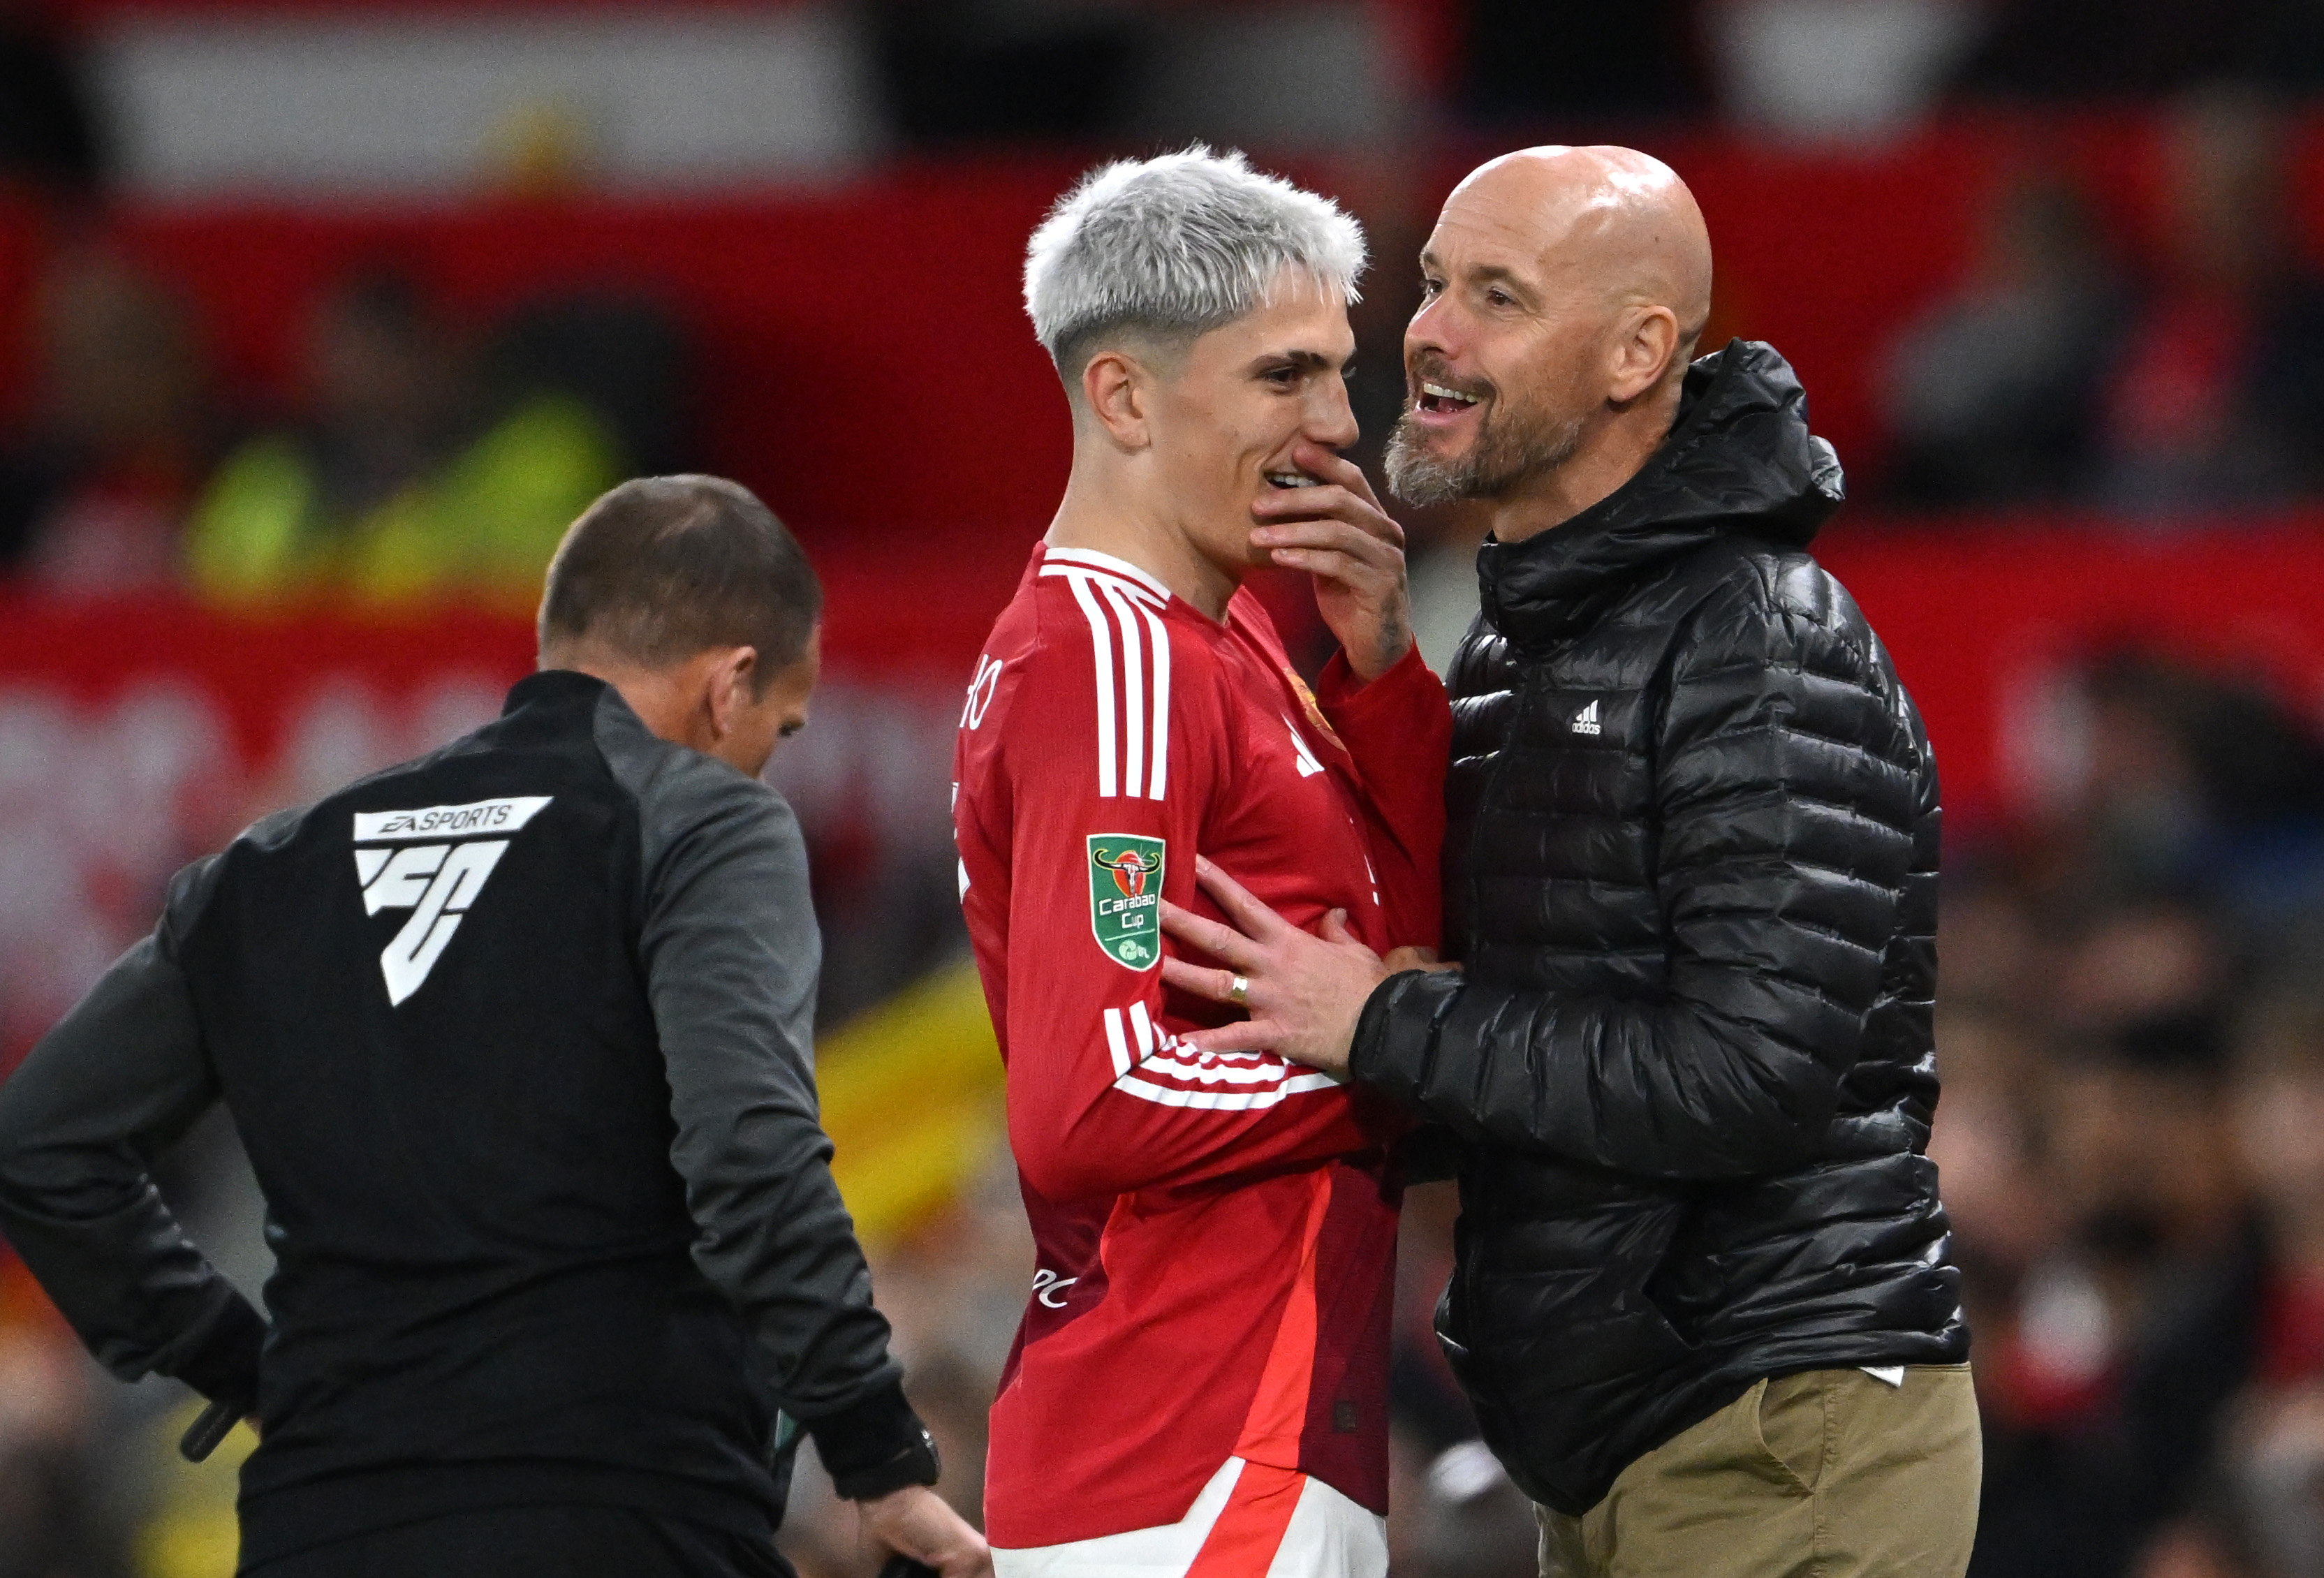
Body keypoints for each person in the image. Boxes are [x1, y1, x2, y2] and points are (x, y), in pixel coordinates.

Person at [1158, 146, 1978, 1578]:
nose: (1427, 330)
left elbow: (1747, 1078)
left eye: (1496, 295)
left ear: (1634, 351)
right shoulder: (1512, 647)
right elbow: (1516, 1050)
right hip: (1617, 1443)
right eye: (1429, 284)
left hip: (1773, 1425)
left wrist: (1386, 1017)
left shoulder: (1755, 639)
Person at [0, 475, 990, 1578]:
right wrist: (878, 1453)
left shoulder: (277, 866)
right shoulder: (704, 824)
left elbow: (42, 1143)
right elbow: (749, 1155)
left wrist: (244, 1366)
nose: (771, 756)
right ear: (730, 685)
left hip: (317, 1528)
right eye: (781, 726)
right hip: (615, 1522)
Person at [951, 148, 1451, 1578]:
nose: (1337, 425)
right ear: (1120, 395)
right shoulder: (1109, 656)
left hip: (1235, 1430)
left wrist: (1378, 673)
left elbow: (1386, 940)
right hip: (1188, 1437)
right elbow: (1089, 1095)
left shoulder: (1214, 644)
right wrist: (1395, 1048)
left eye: (1335, 375)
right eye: (1283, 376)